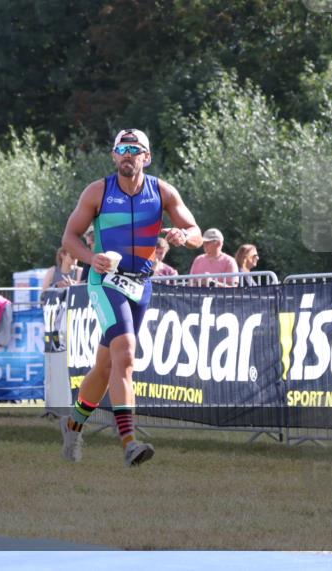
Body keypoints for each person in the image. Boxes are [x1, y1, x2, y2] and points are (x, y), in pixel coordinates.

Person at [61, 129, 202, 466]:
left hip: (141, 284)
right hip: (105, 282)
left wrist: (185, 235)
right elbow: (70, 236)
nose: (127, 154)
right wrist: (89, 258)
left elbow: (197, 233)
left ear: (146, 157)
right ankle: (129, 443)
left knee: (106, 364)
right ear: (114, 156)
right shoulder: (98, 191)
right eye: (121, 149)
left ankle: (72, 426)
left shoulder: (162, 192)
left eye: (134, 150)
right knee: (125, 354)